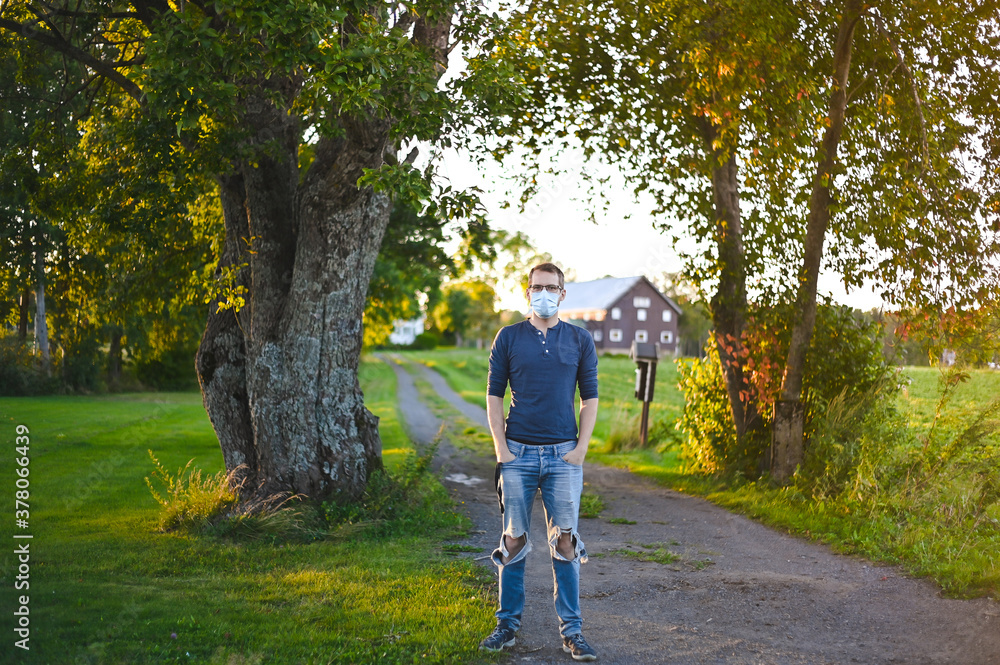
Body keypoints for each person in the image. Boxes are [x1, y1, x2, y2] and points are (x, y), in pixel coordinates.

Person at [479, 262, 599, 662]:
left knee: (565, 542)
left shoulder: (580, 340)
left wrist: (580, 450)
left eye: (551, 287)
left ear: (563, 293)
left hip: (564, 456)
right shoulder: (509, 337)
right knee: (513, 540)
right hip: (518, 454)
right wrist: (501, 448)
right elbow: (494, 395)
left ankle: (573, 632)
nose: (543, 293)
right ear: (526, 292)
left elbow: (590, 398)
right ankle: (506, 627)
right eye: (536, 287)